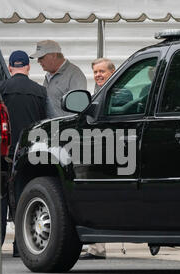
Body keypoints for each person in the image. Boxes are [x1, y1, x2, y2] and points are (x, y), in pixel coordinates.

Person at [0, 50, 48, 258]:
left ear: (10, 68)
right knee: (23, 199)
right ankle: (21, 246)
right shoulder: (40, 91)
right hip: (29, 153)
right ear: (27, 67)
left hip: (3, 151)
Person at [80, 58, 116, 260]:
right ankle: (95, 246)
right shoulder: (98, 93)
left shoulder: (119, 93)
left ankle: (97, 247)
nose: (98, 75)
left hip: (112, 152)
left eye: (102, 71)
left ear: (113, 72)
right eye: (95, 72)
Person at [30, 40, 87, 117]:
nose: (38, 61)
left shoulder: (75, 74)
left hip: (65, 127)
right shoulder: (48, 75)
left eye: (41, 57)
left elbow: (78, 107)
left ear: (53, 56)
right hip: (51, 126)